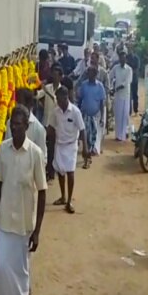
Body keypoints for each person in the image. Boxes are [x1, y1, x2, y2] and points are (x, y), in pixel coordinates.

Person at [0, 105, 47, 295]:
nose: (15, 129)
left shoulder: (35, 153)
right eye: (12, 125)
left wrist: (37, 232)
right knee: (1, 271)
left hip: (25, 226)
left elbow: (42, 191)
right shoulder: (3, 150)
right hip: (5, 223)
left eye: (19, 125)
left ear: (26, 126)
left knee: (21, 275)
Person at [49, 85, 87, 214]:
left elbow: (82, 130)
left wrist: (85, 149)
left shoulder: (75, 112)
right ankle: (63, 196)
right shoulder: (55, 112)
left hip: (71, 145)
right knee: (60, 172)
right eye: (57, 100)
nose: (59, 103)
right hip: (59, 145)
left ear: (66, 98)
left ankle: (69, 200)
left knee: (70, 172)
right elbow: (51, 128)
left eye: (60, 100)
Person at [5, 88, 47, 166]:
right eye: (16, 102)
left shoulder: (38, 129)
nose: (16, 106)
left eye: (20, 103)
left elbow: (42, 159)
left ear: (29, 105)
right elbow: (6, 148)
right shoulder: (9, 123)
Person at [37, 64, 63, 181]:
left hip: (56, 126)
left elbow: (57, 102)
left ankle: (51, 172)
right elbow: (38, 95)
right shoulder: (47, 87)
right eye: (54, 75)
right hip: (46, 123)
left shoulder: (62, 91)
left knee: (53, 148)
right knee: (44, 147)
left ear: (60, 77)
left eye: (57, 76)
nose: (55, 77)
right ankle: (45, 170)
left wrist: (48, 93)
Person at [77, 67, 106, 165]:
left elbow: (102, 102)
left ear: (95, 74)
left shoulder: (100, 86)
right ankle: (87, 157)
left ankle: (89, 153)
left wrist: (102, 117)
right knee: (86, 135)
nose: (90, 75)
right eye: (88, 73)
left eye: (92, 73)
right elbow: (80, 99)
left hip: (95, 116)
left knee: (92, 136)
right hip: (85, 115)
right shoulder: (84, 85)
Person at [109, 51, 133, 142]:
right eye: (121, 58)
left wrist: (115, 89)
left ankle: (123, 135)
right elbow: (110, 76)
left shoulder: (129, 70)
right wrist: (110, 86)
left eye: (124, 58)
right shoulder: (116, 68)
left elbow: (125, 83)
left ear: (125, 59)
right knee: (118, 115)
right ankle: (118, 135)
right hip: (118, 95)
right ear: (119, 59)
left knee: (125, 115)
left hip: (125, 95)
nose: (122, 60)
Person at [127, 45, 140, 115]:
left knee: (135, 95)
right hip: (128, 80)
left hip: (134, 79)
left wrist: (130, 72)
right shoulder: (126, 58)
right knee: (128, 95)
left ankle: (136, 110)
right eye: (128, 49)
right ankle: (129, 111)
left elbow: (137, 68)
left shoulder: (136, 58)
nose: (129, 50)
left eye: (130, 49)